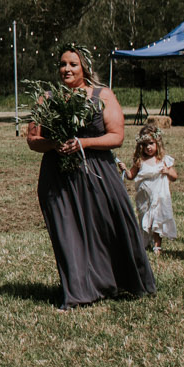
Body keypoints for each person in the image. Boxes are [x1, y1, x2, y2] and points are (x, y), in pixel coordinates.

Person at [26, 48, 155, 308]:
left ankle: (119, 281)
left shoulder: (102, 95)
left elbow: (116, 136)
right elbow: (32, 139)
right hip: (58, 176)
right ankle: (78, 291)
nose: (67, 69)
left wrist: (82, 142)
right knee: (67, 232)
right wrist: (54, 144)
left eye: (73, 64)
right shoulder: (46, 99)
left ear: (84, 67)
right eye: (62, 64)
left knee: (108, 227)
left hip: (98, 172)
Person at [127, 124, 179, 252]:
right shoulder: (140, 161)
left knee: (157, 218)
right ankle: (146, 241)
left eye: (151, 143)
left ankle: (157, 245)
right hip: (145, 198)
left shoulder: (163, 160)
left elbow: (174, 176)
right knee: (145, 217)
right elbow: (131, 175)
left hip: (159, 196)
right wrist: (124, 169)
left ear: (157, 143)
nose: (148, 147)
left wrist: (167, 171)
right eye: (145, 145)